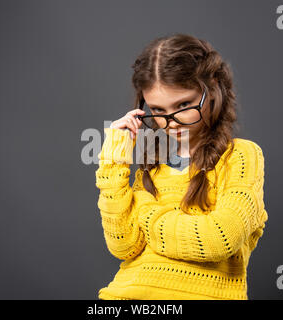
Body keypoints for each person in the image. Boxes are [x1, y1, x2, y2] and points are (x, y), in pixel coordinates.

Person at [95, 33, 268, 300]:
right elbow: (123, 246)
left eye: (183, 104)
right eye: (158, 110)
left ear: (212, 88)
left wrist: (146, 213)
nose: (170, 121)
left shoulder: (241, 157)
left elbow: (219, 238)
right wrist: (113, 159)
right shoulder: (152, 169)